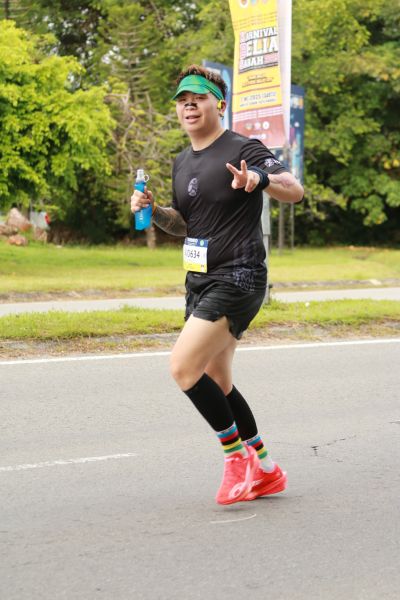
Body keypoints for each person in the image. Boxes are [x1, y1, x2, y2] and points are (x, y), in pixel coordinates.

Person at [131, 65, 304, 505]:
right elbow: (184, 225)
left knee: (183, 366)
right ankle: (267, 469)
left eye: (198, 98)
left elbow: (293, 188)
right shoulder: (181, 161)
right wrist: (154, 209)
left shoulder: (242, 147)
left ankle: (236, 459)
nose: (189, 106)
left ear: (219, 104)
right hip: (200, 279)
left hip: (239, 276)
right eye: (182, 100)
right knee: (216, 378)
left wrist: (258, 179)